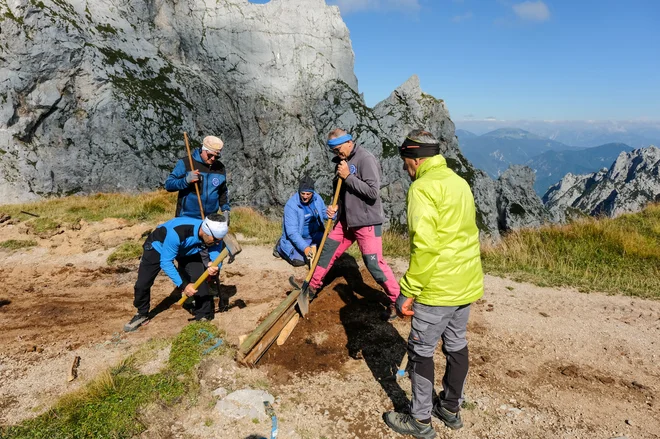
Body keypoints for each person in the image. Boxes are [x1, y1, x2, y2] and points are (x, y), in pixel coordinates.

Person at [383, 130, 484, 439]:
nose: (404, 168)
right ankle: (451, 409)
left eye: (405, 162)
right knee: (456, 345)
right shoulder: (459, 182)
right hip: (465, 283)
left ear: (416, 159)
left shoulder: (422, 188)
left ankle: (421, 421)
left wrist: (407, 292)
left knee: (420, 351)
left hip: (437, 289)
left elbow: (425, 247)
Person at [304, 128, 400, 320]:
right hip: (345, 222)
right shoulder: (342, 161)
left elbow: (373, 192)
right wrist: (335, 209)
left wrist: (348, 176)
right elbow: (342, 194)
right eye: (334, 151)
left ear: (349, 142)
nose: (337, 154)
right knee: (326, 252)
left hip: (367, 222)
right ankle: (311, 288)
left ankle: (397, 300)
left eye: (339, 149)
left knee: (374, 264)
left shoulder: (366, 159)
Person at [123, 213, 228, 332]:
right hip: (159, 247)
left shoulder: (213, 237)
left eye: (220, 240)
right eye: (215, 239)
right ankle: (141, 313)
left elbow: (215, 250)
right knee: (142, 284)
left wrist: (214, 264)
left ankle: (203, 315)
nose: (217, 242)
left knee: (199, 277)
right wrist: (183, 285)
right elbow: (166, 262)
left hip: (188, 250)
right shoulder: (179, 232)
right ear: (205, 232)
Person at [165, 135, 230, 222]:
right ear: (203, 150)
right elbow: (169, 185)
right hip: (186, 217)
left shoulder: (220, 168)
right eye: (210, 155)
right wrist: (186, 180)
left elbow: (222, 191)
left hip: (210, 219)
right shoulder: (187, 163)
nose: (213, 159)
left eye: (216, 156)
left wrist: (225, 210)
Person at [274, 175, 330, 267]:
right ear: (299, 192)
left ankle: (314, 246)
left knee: (328, 251)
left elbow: (324, 213)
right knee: (300, 261)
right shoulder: (291, 205)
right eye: (303, 193)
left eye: (308, 194)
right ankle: (280, 247)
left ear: (312, 193)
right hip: (299, 238)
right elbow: (292, 232)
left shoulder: (317, 198)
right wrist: (306, 248)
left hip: (316, 235)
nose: (305, 197)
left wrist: (333, 213)